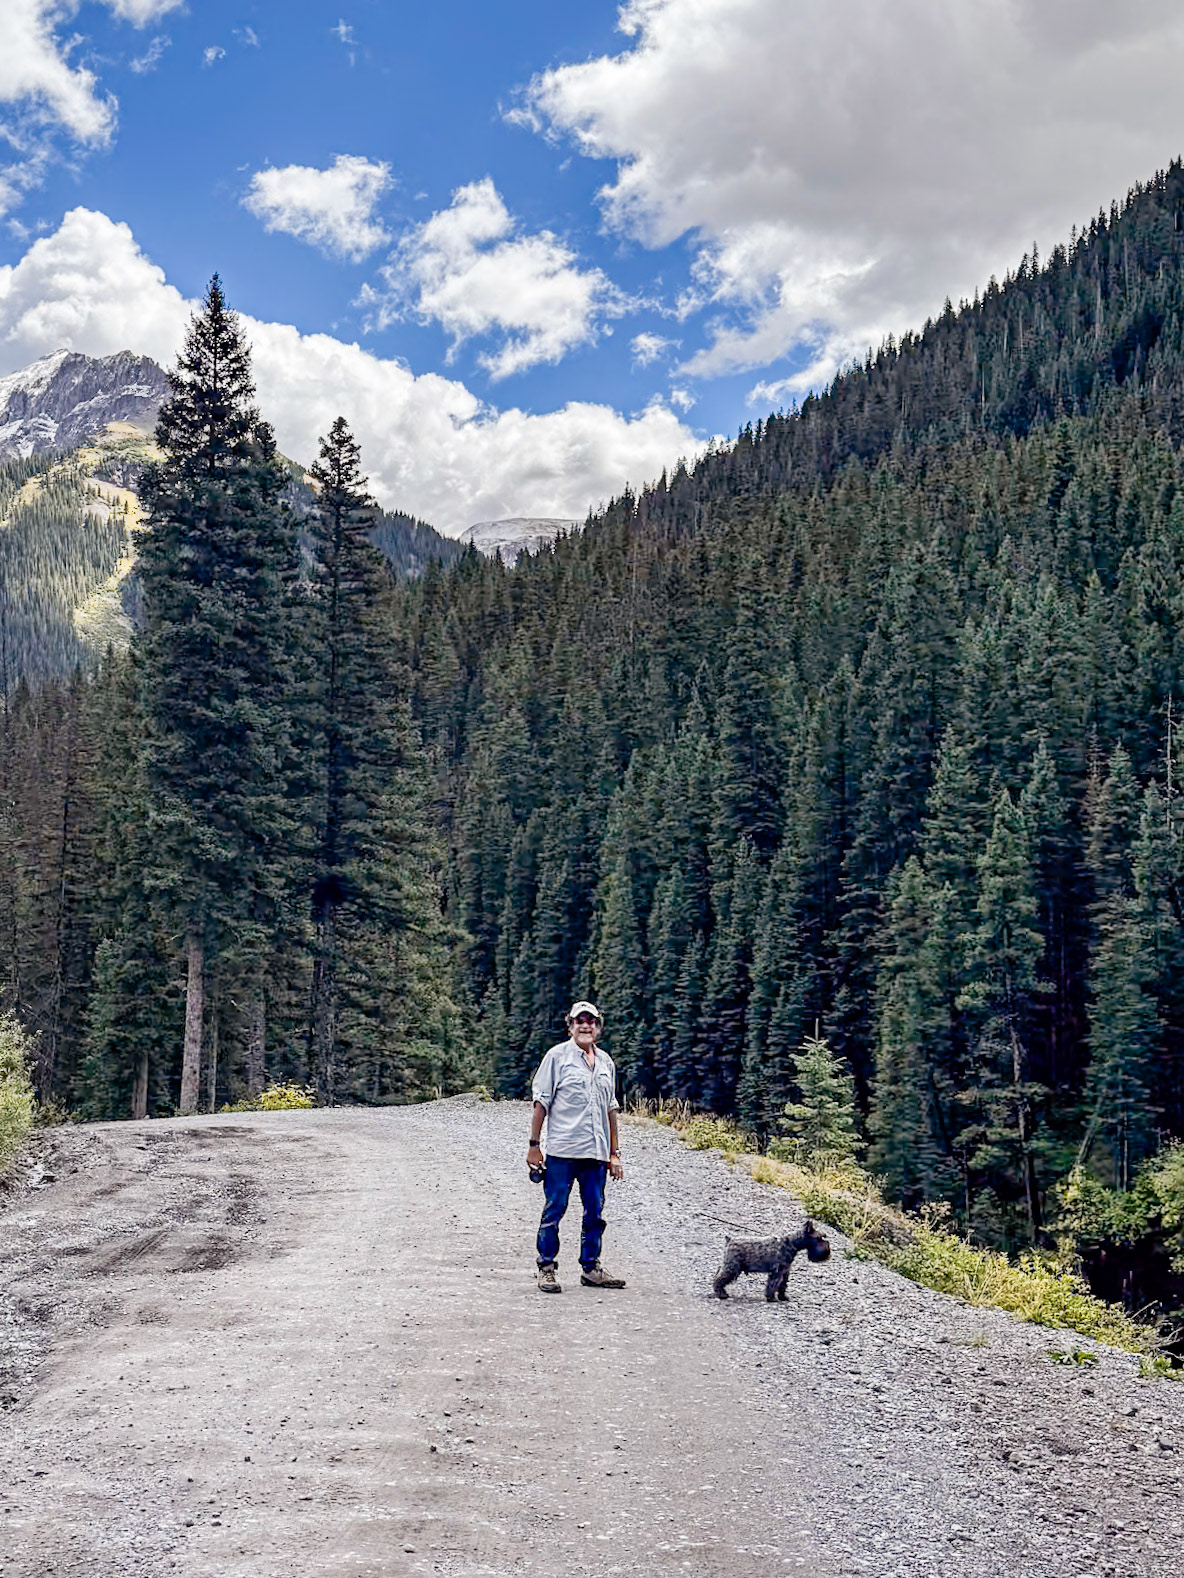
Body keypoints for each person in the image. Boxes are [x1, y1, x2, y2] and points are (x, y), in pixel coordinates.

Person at [527, 1001, 626, 1293]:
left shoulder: (606, 1062)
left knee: (595, 1212)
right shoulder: (556, 1057)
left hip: (595, 1154)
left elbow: (611, 1109)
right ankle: (546, 1268)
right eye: (580, 1021)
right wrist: (534, 1145)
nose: (586, 1026)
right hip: (562, 1152)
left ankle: (591, 1268)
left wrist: (614, 1153)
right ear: (570, 1025)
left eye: (591, 1021)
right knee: (554, 1209)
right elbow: (540, 1103)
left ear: (598, 1027)